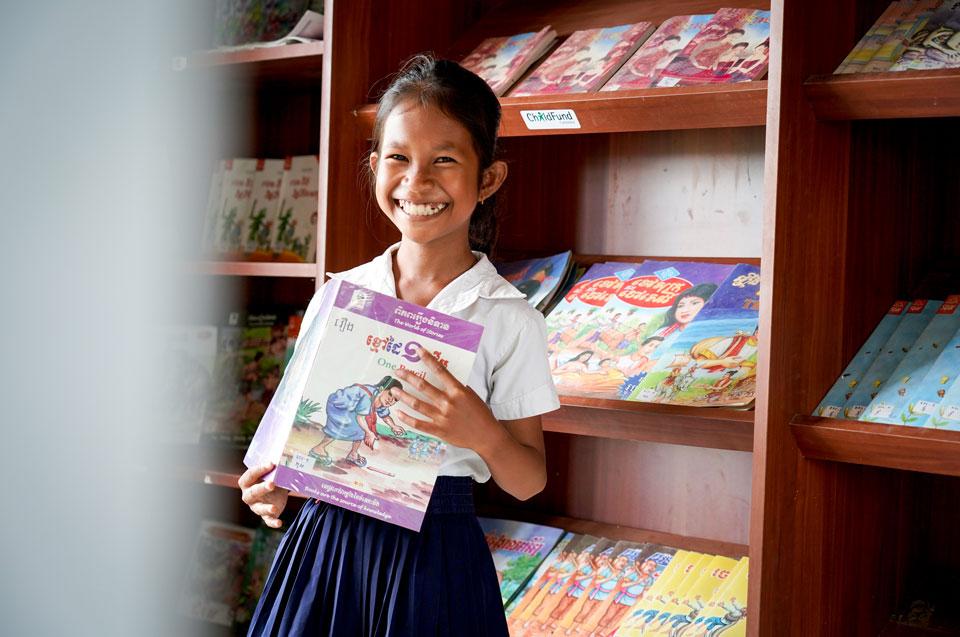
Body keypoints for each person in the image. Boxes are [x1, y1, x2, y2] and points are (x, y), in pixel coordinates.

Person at [237, 54, 560, 636]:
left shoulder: (509, 317)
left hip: (433, 554)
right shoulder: (340, 295)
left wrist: (479, 430)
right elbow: (293, 441)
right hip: (324, 544)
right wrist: (273, 488)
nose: (417, 182)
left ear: (488, 178)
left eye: (445, 160)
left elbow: (529, 480)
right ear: (374, 166)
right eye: (398, 158)